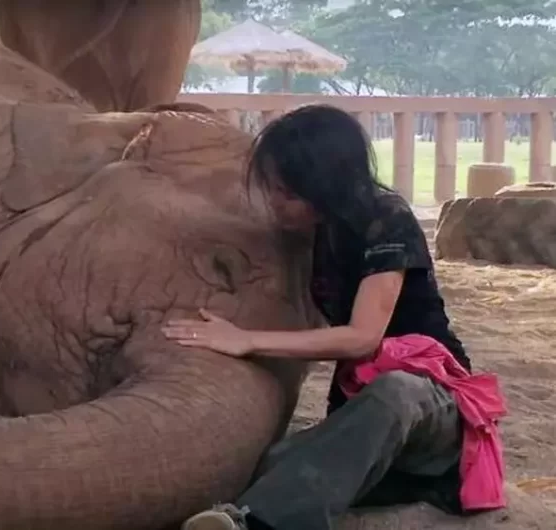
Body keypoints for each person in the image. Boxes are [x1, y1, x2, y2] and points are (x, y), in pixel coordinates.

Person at [161, 104, 504, 530]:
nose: (275, 203)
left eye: (286, 192)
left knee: (394, 392)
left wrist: (247, 338)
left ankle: (255, 525)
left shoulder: (387, 219)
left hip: (430, 407)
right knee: (273, 463)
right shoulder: (313, 230)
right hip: (364, 417)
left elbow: (363, 338)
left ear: (325, 185)